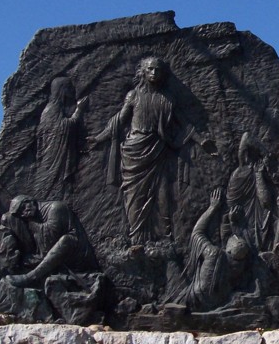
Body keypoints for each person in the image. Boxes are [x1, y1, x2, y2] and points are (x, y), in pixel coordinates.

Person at [93, 56, 217, 245]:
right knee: (133, 197)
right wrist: (98, 138)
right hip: (134, 152)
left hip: (157, 151)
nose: (154, 73)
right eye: (150, 69)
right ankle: (136, 240)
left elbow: (183, 123)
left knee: (162, 195)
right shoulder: (133, 96)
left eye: (157, 70)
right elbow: (118, 121)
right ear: (142, 72)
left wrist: (201, 141)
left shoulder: (167, 99)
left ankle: (165, 239)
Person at [0, 195, 99, 287]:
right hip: (51, 253)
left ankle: (30, 277)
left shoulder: (55, 208)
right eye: (20, 213)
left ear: (30, 201)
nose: (23, 214)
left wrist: (31, 222)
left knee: (66, 240)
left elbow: (51, 236)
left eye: (22, 208)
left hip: (75, 253)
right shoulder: (34, 217)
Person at [34, 77, 88, 200]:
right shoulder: (51, 109)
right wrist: (79, 111)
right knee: (51, 186)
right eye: (69, 88)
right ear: (61, 90)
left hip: (60, 154)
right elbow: (62, 129)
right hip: (53, 157)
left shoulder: (59, 108)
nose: (72, 90)